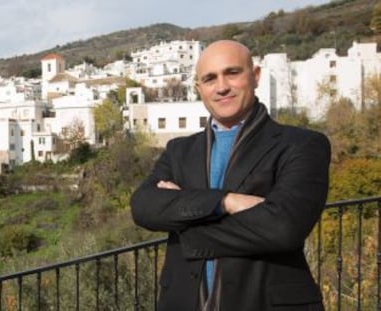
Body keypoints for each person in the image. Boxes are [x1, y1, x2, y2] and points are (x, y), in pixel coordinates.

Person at [130, 40, 330, 311]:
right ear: (200, 89)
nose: (222, 86)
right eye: (210, 79)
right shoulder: (180, 151)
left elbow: (284, 228)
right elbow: (143, 207)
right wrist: (227, 202)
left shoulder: (302, 145)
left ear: (255, 76)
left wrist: (186, 225)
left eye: (232, 73)